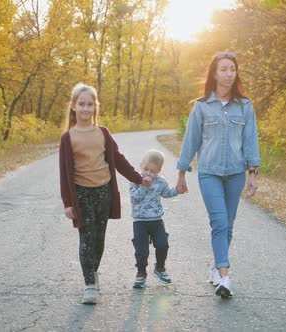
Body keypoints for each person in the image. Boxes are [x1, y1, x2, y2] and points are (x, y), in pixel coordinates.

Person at [175, 52, 261, 298]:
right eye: (223, 69)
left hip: (235, 173)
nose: (229, 73)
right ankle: (225, 277)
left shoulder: (245, 106)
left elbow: (250, 141)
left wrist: (252, 173)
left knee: (228, 225)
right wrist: (181, 172)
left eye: (232, 69)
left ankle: (215, 267)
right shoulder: (202, 106)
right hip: (209, 173)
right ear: (214, 73)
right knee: (220, 222)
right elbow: (191, 140)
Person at [59, 83, 152, 305]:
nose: (85, 108)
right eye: (81, 104)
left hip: (103, 191)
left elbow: (118, 160)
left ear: (95, 107)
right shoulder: (68, 137)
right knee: (86, 237)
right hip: (81, 194)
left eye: (90, 104)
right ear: (73, 106)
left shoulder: (103, 133)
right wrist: (67, 203)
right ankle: (89, 284)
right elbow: (64, 172)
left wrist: (139, 178)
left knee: (99, 239)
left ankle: (93, 271)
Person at [129, 149, 184, 289]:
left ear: (159, 171)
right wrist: (143, 186)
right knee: (141, 250)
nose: (148, 173)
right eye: (145, 169)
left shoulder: (160, 182)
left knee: (163, 244)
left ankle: (160, 268)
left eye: (152, 171)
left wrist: (177, 190)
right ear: (141, 165)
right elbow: (135, 199)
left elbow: (166, 193)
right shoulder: (135, 180)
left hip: (156, 221)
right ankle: (141, 273)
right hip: (140, 221)